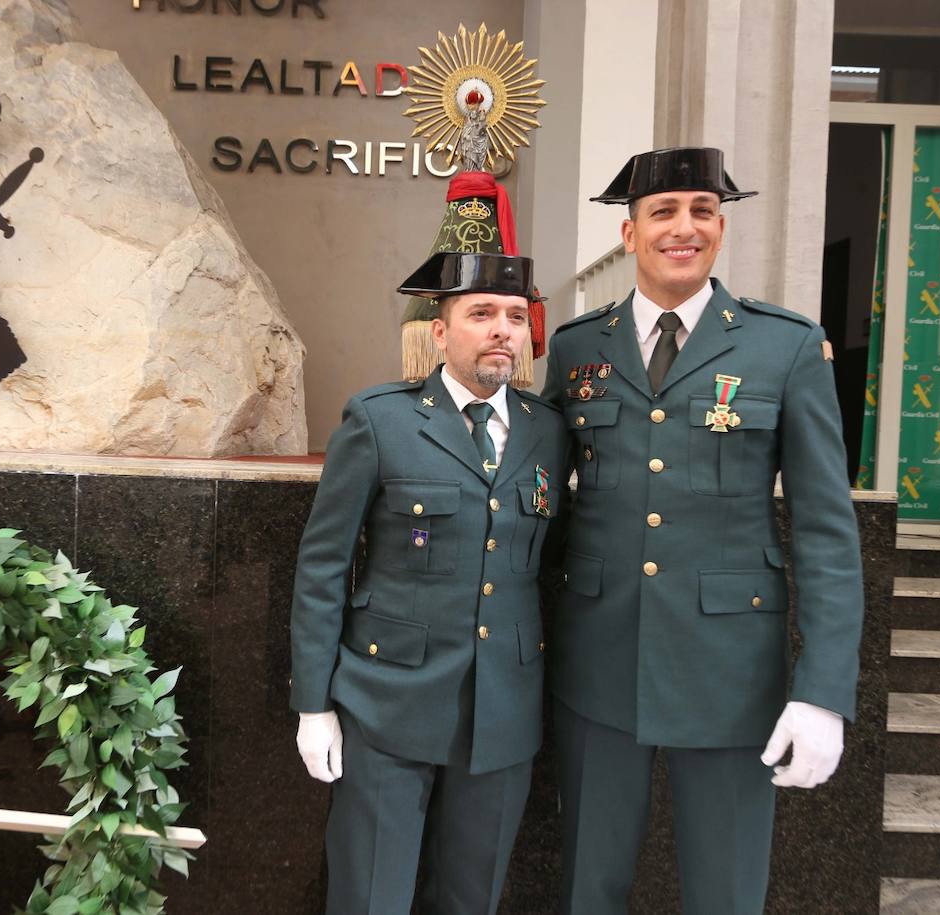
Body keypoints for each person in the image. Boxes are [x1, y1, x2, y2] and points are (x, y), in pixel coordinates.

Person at [542, 146, 865, 914]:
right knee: (589, 886)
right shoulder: (578, 346)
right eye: (663, 212)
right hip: (598, 663)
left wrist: (823, 691)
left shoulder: (783, 346)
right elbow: (542, 504)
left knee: (725, 892)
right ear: (629, 234)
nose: (683, 228)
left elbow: (824, 529)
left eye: (703, 211)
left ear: (720, 227)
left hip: (731, 674)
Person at [290, 249, 567, 914]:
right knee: (370, 897)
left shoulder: (549, 431)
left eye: (513, 314)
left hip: (503, 711)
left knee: (471, 899)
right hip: (389, 703)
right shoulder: (381, 419)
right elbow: (324, 565)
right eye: (480, 313)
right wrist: (312, 703)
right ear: (440, 332)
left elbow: (552, 565)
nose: (502, 327)